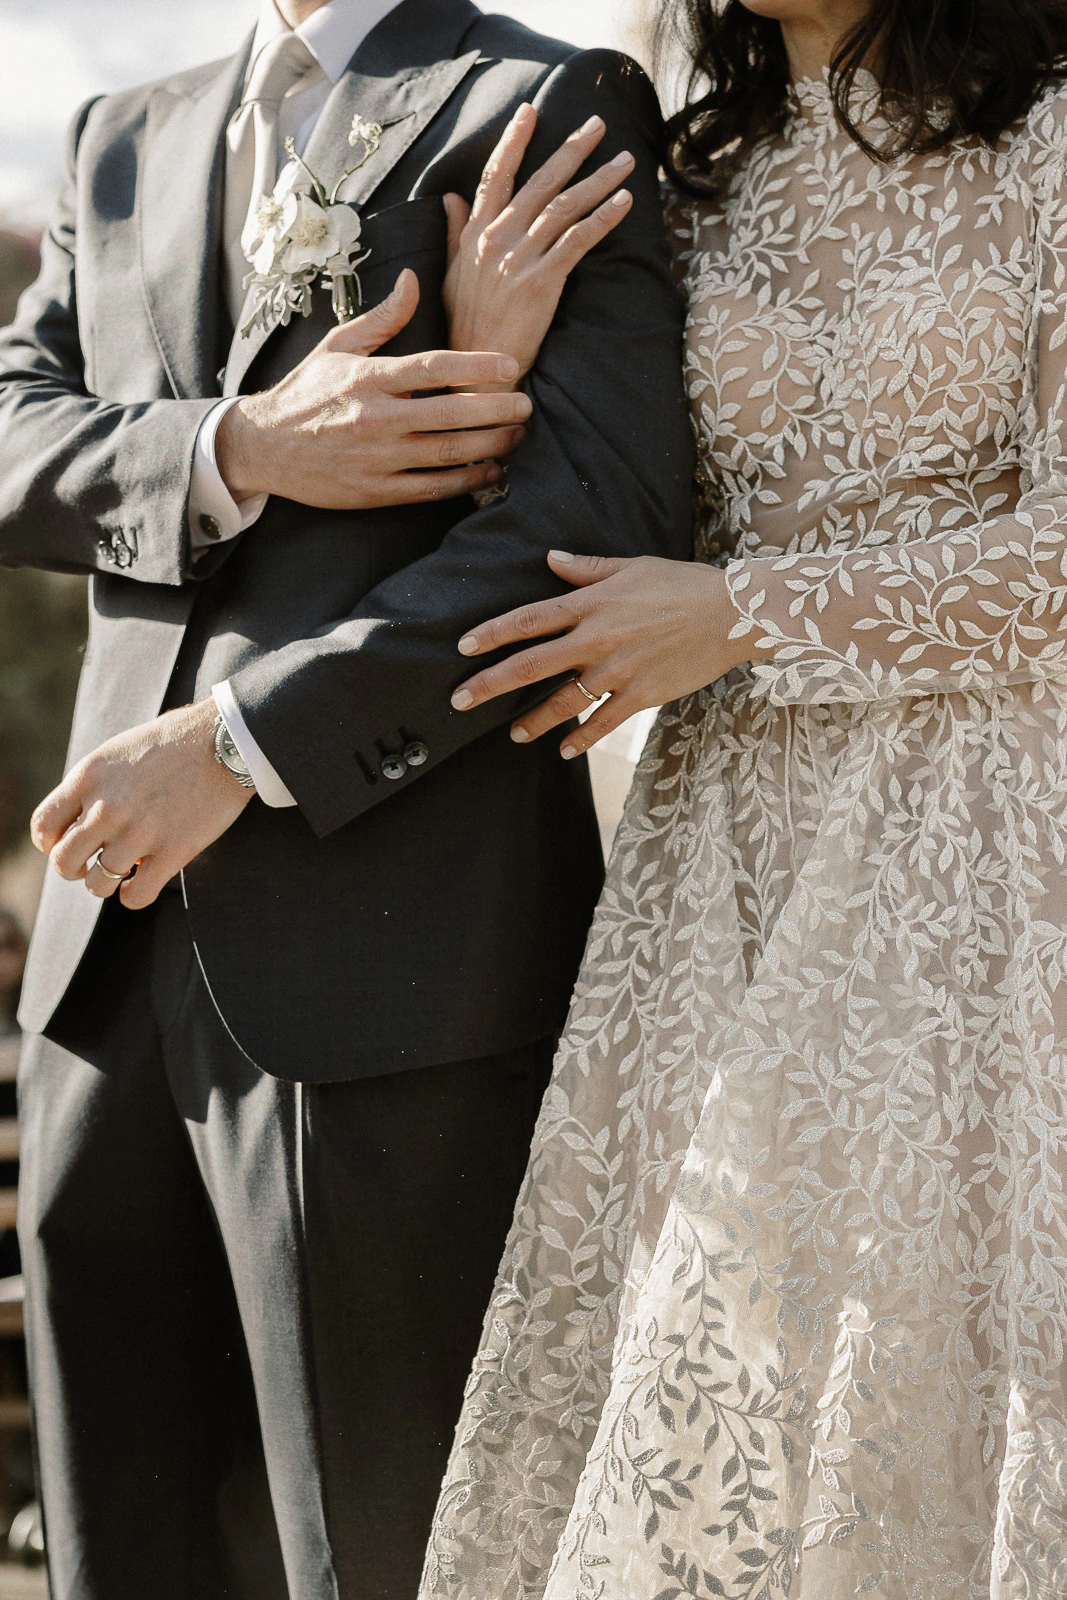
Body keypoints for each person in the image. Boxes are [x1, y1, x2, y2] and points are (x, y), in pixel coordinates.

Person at [0, 1, 695, 1595]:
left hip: (384, 954)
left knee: (375, 1553)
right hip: (98, 966)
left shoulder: (544, 97)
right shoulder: (119, 137)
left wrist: (241, 745)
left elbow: (586, 527)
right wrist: (235, 448)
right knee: (120, 1541)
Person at [419, 0, 1067, 1594]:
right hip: (718, 853)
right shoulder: (690, 173)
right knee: (730, 1370)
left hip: (984, 842)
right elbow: (607, 513)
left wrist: (746, 617)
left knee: (937, 1366)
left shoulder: (1054, 142)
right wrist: (491, 363)